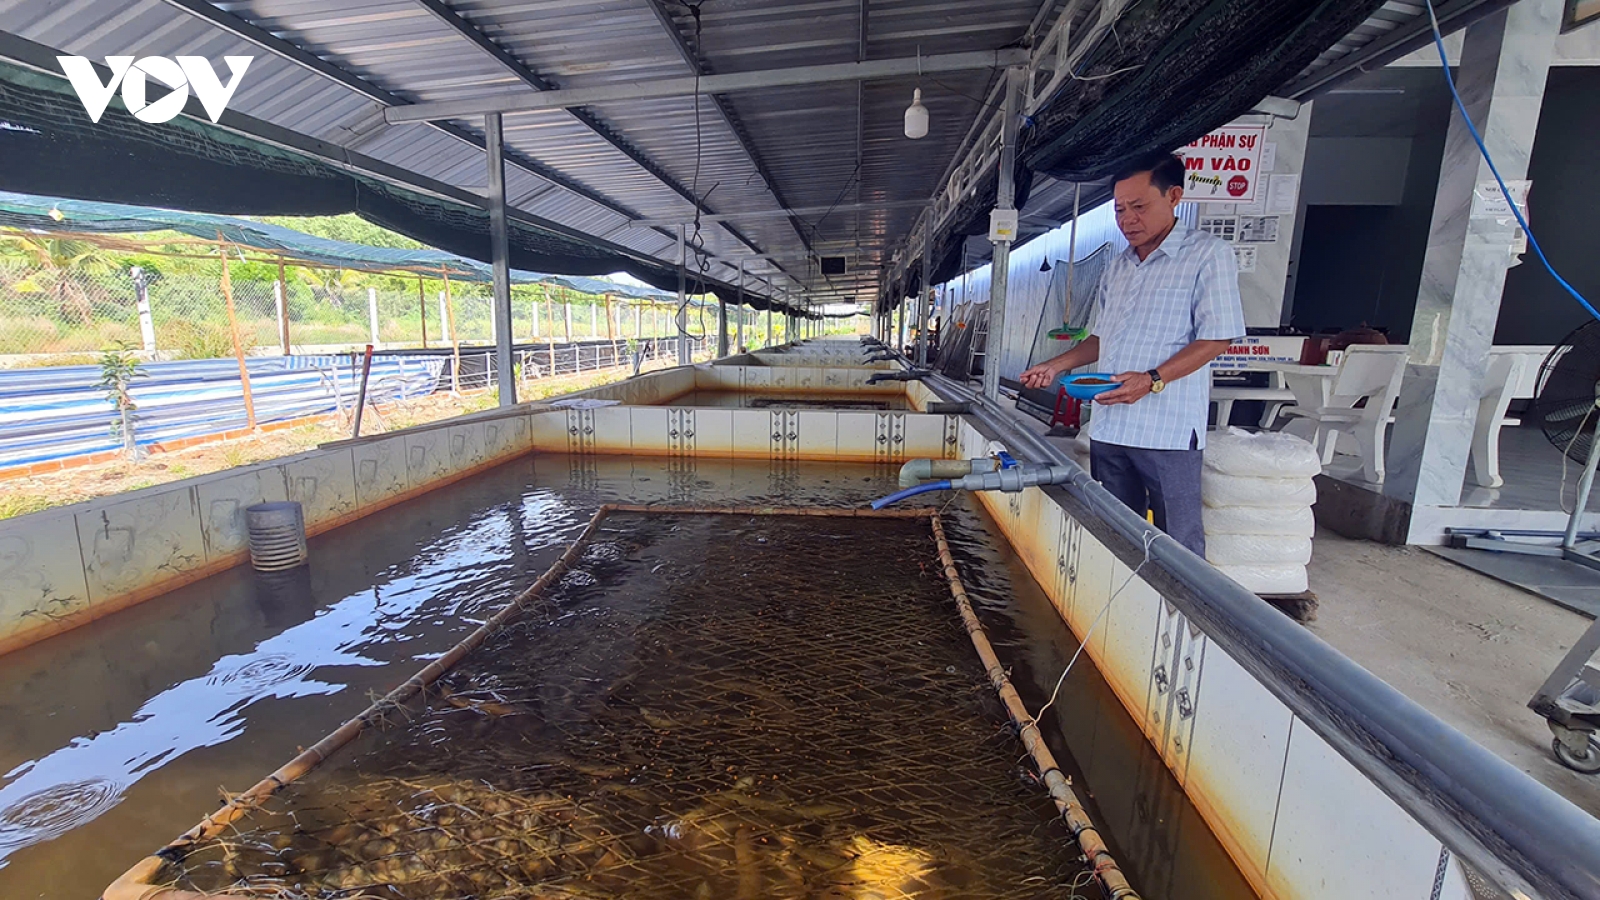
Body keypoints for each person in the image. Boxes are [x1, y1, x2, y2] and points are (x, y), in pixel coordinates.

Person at [1020, 151, 1245, 556]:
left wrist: (1152, 379)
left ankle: (1179, 617)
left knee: (1178, 541)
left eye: (1139, 207)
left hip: (1167, 430)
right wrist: (1055, 365)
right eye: (1120, 209)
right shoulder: (1118, 266)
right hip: (1109, 425)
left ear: (1174, 196)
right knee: (1115, 533)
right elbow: (1100, 338)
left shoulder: (1207, 255)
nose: (1127, 220)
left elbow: (1217, 338)